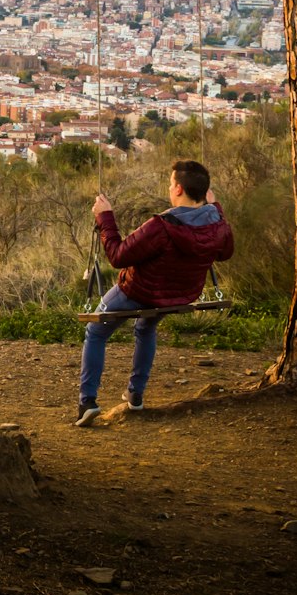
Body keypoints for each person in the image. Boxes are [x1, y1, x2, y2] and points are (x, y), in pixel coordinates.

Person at [76, 159, 233, 426]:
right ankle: (135, 394)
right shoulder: (217, 222)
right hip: (182, 293)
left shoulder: (161, 226)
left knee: (96, 330)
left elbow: (117, 256)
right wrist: (214, 207)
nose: (169, 187)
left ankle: (87, 402)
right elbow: (226, 252)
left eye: (171, 183)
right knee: (146, 328)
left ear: (180, 189)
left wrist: (105, 216)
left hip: (138, 292)